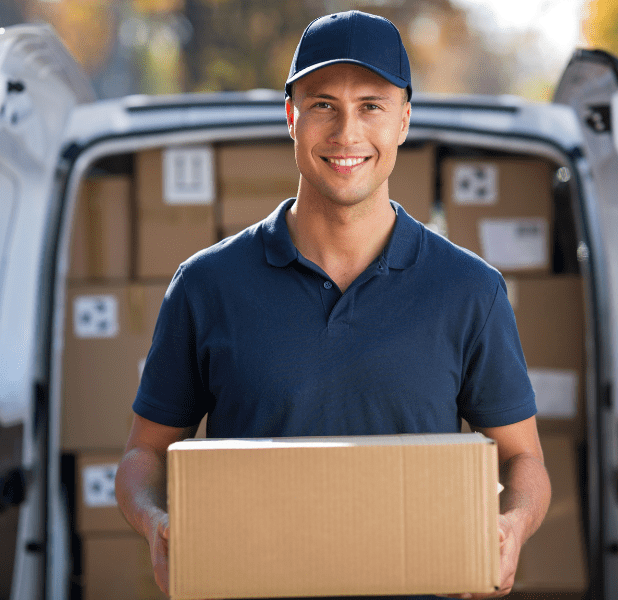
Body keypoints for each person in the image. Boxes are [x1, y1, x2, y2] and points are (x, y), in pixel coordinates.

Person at [114, 10, 549, 600]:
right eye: (323, 105)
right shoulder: (206, 285)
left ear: (403, 120)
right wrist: (156, 522)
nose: (347, 133)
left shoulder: (469, 291)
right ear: (292, 118)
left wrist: (511, 526)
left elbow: (524, 461)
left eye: (371, 105)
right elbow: (144, 454)